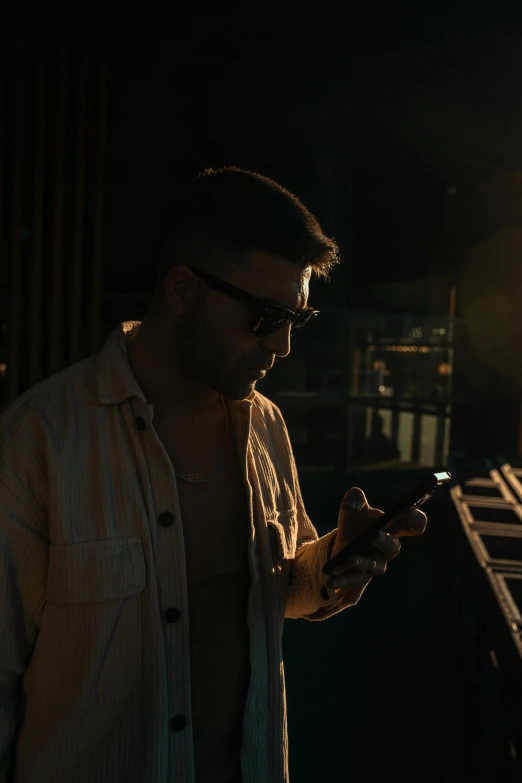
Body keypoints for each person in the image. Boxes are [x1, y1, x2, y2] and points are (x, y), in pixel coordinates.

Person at [0, 167, 427, 783]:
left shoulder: (264, 426)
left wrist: (334, 559)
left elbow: (278, 593)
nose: (282, 346)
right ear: (181, 290)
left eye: (297, 321)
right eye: (266, 317)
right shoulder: (39, 441)